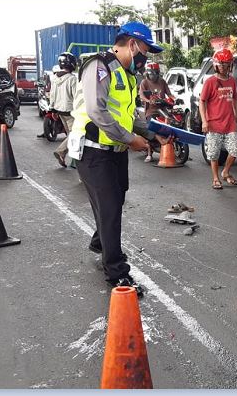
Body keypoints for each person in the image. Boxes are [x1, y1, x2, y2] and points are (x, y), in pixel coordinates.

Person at [70, 21, 161, 293]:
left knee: (115, 199)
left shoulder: (128, 75)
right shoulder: (99, 67)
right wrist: (131, 139)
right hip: (94, 151)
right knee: (110, 209)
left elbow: (129, 116)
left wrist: (153, 135)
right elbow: (97, 112)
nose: (146, 57)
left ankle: (101, 241)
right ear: (132, 44)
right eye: (145, 50)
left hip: (116, 152)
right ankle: (117, 273)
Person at [199, 48, 237, 189]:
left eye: (226, 64)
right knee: (214, 153)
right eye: (221, 64)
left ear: (230, 65)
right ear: (216, 65)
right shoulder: (210, 82)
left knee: (234, 150)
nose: (223, 67)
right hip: (214, 124)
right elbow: (202, 101)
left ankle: (225, 172)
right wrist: (204, 121)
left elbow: (234, 97)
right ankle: (215, 178)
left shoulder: (232, 81)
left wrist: (236, 113)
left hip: (229, 123)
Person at [138, 61, 173, 163]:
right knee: (151, 126)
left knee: (171, 122)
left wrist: (174, 99)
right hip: (151, 110)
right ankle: (149, 153)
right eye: (153, 73)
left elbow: (169, 94)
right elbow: (142, 96)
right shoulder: (144, 82)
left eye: (156, 72)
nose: (155, 75)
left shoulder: (162, 81)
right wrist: (149, 100)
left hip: (163, 109)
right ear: (148, 73)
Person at [51, 52, 78, 168]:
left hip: (59, 110)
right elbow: (76, 96)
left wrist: (52, 110)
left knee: (70, 135)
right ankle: (61, 152)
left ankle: (69, 157)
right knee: (75, 135)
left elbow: (52, 95)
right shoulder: (72, 79)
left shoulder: (55, 78)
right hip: (70, 111)